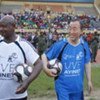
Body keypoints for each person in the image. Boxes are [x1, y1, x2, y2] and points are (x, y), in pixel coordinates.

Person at [42, 19, 93, 100]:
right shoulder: (61, 44)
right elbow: (44, 56)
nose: (71, 31)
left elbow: (87, 62)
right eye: (70, 28)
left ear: (81, 31)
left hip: (78, 88)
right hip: (63, 88)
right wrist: (45, 69)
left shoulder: (84, 46)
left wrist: (89, 80)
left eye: (75, 29)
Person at [0, 15, 42, 100]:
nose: (1, 29)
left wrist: (27, 81)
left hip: (18, 96)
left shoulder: (24, 45)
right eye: (0, 26)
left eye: (4, 26)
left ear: (14, 26)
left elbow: (39, 64)